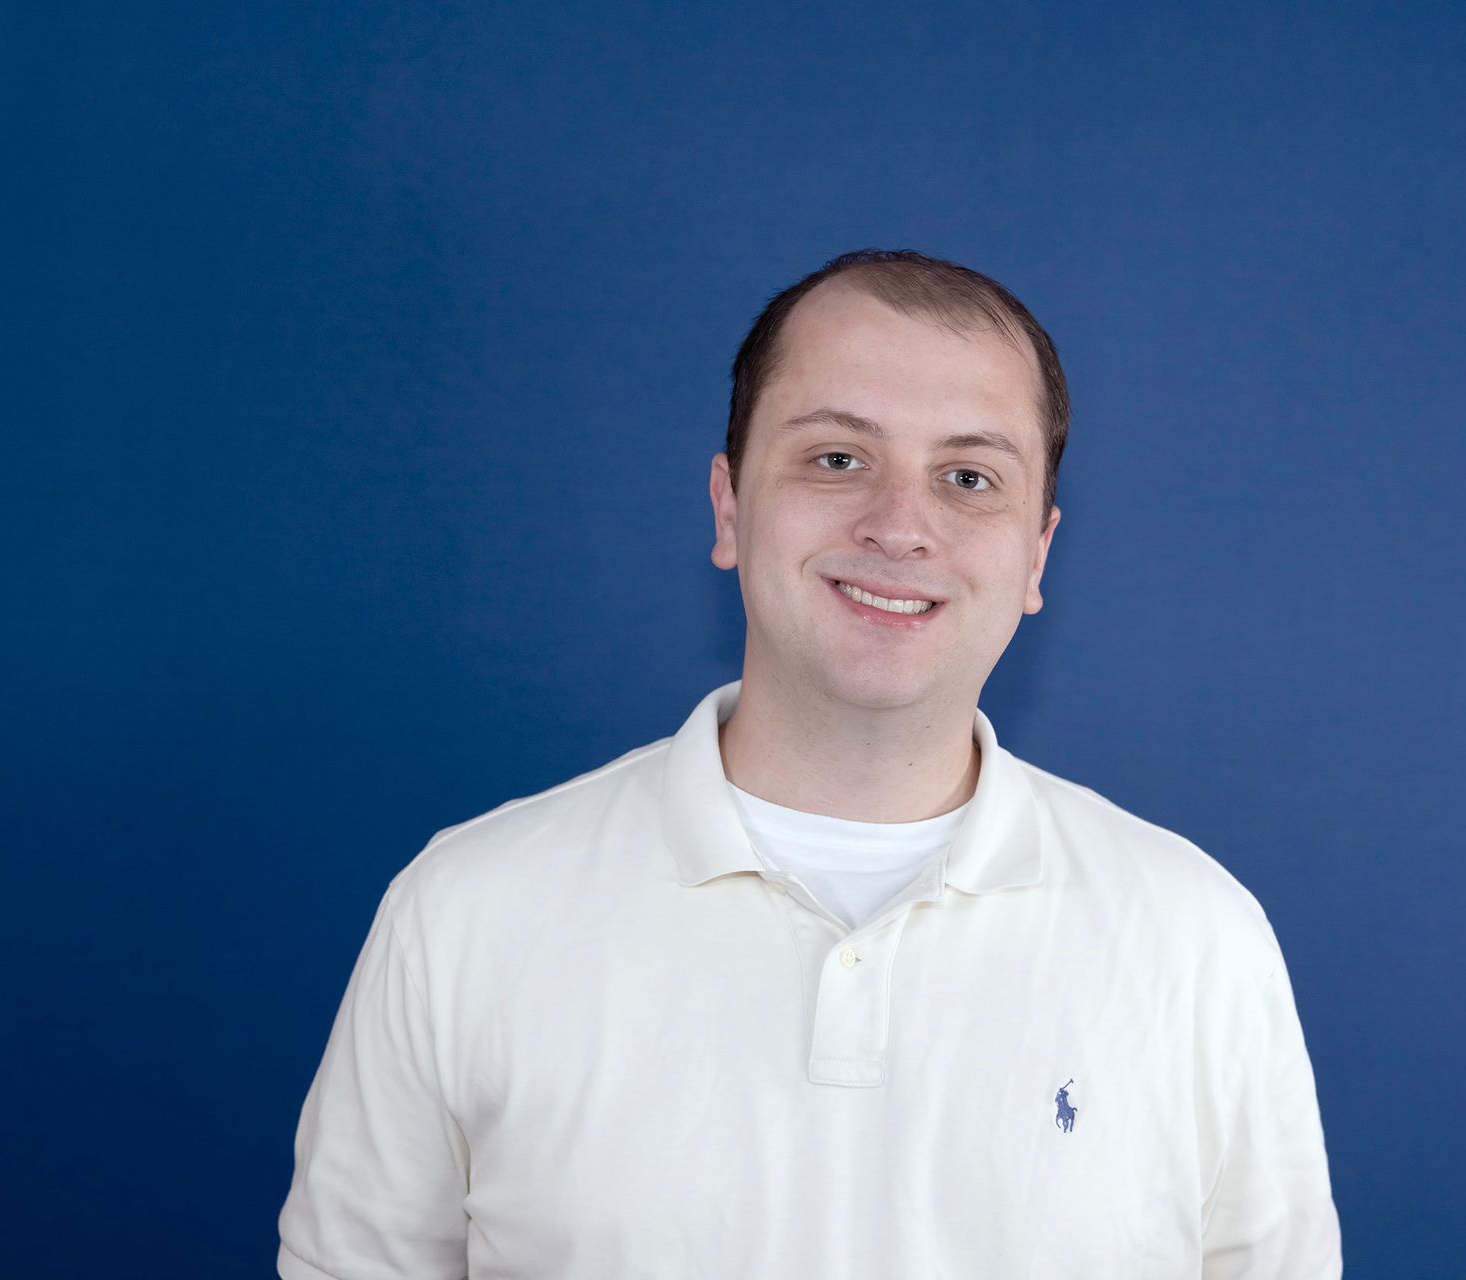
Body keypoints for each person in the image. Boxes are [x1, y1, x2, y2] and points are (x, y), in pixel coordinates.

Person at [277, 249, 1342, 1278]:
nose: (900, 525)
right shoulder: (464, 913)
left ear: (1037, 555)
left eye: (969, 477)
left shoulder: (1198, 941)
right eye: (838, 458)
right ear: (730, 504)